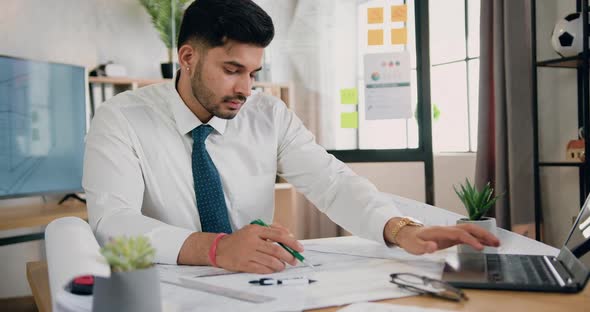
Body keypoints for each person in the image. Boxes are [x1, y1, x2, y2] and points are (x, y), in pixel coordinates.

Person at [83, 0, 499, 274]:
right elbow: (111, 222)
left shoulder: (267, 113)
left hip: (257, 287)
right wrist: (215, 248)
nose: (246, 88)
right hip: (164, 289)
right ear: (188, 58)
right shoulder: (120, 119)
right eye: (232, 70)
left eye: (253, 73)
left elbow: (331, 182)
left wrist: (400, 229)